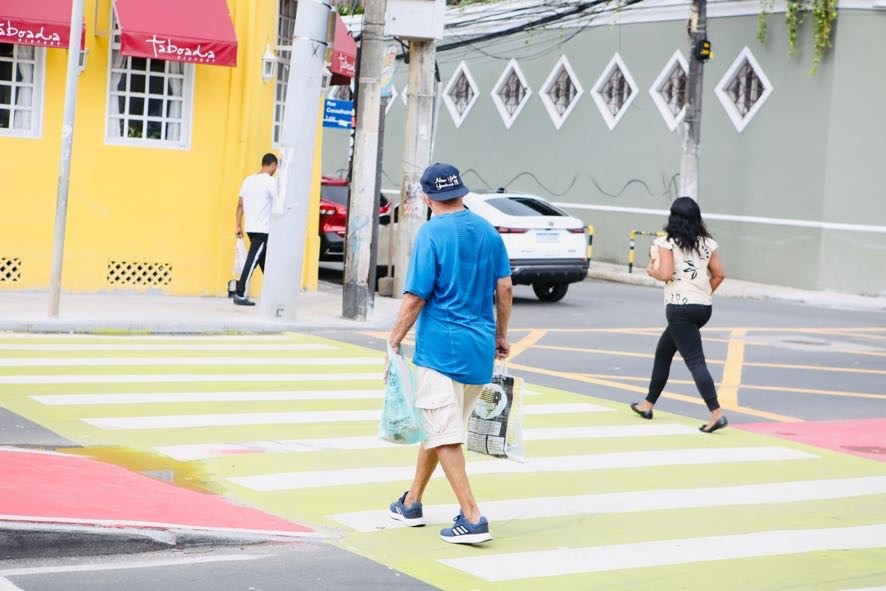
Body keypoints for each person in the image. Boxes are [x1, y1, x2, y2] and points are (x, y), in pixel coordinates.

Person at [386, 162, 513, 544]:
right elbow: (504, 288)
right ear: (462, 191)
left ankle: (472, 517)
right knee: (440, 426)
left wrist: (393, 341)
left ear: (427, 197)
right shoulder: (488, 231)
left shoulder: (431, 232)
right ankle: (411, 502)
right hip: (478, 350)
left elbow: (415, 297)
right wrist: (502, 335)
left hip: (440, 349)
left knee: (443, 432)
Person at [631, 196, 728, 433]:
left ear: (673, 218)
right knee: (663, 353)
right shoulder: (707, 243)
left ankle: (716, 413)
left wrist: (650, 271)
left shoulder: (667, 243)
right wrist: (703, 295)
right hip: (702, 308)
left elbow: (665, 274)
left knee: (695, 361)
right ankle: (647, 404)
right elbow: (719, 274)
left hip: (680, 308)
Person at [233, 153, 278, 306]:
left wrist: (238, 225)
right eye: (275, 167)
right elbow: (279, 202)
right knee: (252, 261)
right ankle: (239, 294)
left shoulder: (248, 180)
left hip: (250, 227)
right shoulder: (270, 182)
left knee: (266, 262)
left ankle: (275, 295)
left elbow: (239, 205)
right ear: (272, 165)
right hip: (263, 229)